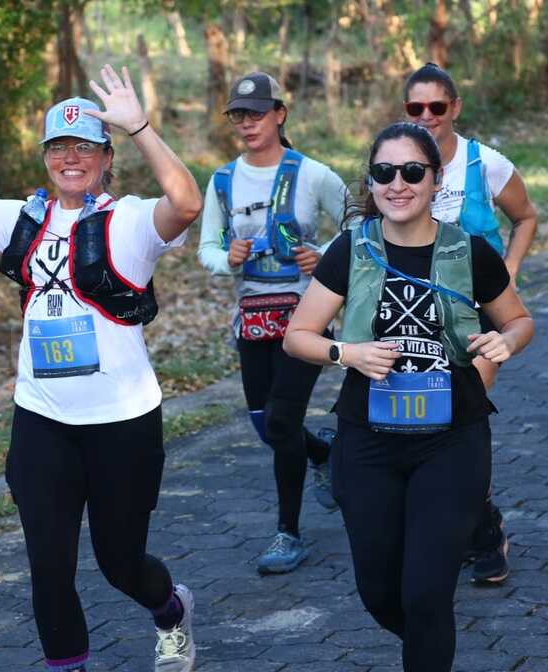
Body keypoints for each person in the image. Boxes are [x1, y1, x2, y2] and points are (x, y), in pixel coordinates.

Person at [0, 65, 202, 672]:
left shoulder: (131, 220)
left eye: (84, 147)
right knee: (48, 565)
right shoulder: (19, 217)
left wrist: (141, 126)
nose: (70, 159)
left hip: (123, 420)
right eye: (58, 147)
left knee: (120, 563)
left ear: (106, 157)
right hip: (42, 419)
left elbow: (187, 203)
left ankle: (170, 610)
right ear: (45, 157)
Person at [283, 121, 534, 672]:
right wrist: (346, 353)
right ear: (371, 181)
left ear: (436, 179)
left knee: (426, 593)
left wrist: (505, 342)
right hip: (368, 442)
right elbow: (297, 336)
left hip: (452, 440)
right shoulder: (350, 250)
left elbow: (519, 321)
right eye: (384, 172)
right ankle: (428, 642)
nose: (398, 184)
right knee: (379, 589)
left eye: (412, 171)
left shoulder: (469, 252)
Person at [197, 72, 348, 575]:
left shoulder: (314, 174)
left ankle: (288, 533)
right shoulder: (222, 181)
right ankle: (322, 453)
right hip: (252, 320)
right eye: (239, 115)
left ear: (280, 114)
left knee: (282, 421)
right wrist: (227, 258)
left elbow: (359, 223)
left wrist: (323, 255)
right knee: (267, 425)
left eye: (257, 113)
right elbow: (207, 247)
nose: (248, 123)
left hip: (306, 316)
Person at [403, 62, 538, 583]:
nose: (427, 116)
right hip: (416, 316)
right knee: (427, 425)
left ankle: (483, 536)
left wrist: (509, 269)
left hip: (478, 316)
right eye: (416, 107)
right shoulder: (400, 165)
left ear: (455, 108)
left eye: (437, 106)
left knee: (463, 418)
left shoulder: (485, 164)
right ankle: (472, 525)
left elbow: (525, 216)